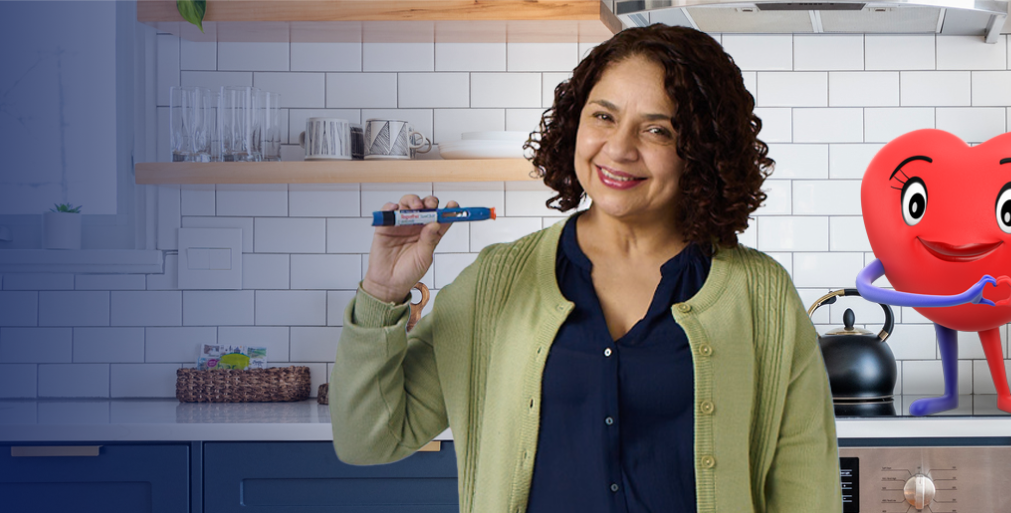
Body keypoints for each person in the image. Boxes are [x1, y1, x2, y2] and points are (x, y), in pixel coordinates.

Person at [331, 24, 839, 512]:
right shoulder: (495, 283)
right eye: (603, 116)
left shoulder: (761, 296)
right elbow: (368, 440)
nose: (619, 149)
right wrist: (382, 293)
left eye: (658, 129)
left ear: (700, 151)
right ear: (576, 120)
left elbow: (805, 489)